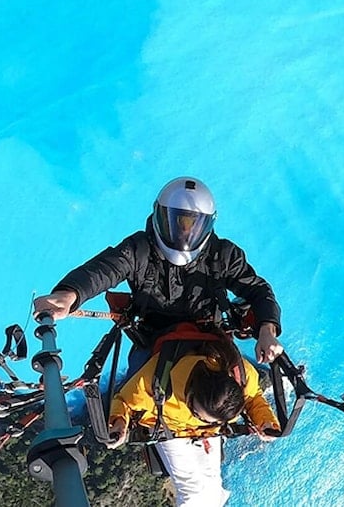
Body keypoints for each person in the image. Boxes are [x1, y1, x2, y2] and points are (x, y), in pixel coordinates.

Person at [33, 176, 284, 366]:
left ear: (208, 224)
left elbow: (258, 291)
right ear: (160, 215)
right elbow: (104, 269)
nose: (184, 233)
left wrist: (267, 330)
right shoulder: (139, 249)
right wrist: (70, 294)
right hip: (153, 341)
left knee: (237, 387)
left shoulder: (223, 255)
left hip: (211, 339)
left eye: (192, 225)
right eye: (177, 222)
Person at [106, 337, 278, 506]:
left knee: (213, 486)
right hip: (171, 429)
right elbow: (124, 401)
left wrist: (265, 422)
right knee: (191, 491)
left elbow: (253, 397)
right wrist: (119, 422)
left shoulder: (240, 374)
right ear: (190, 394)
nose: (201, 419)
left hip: (209, 431)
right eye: (199, 415)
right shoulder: (157, 379)